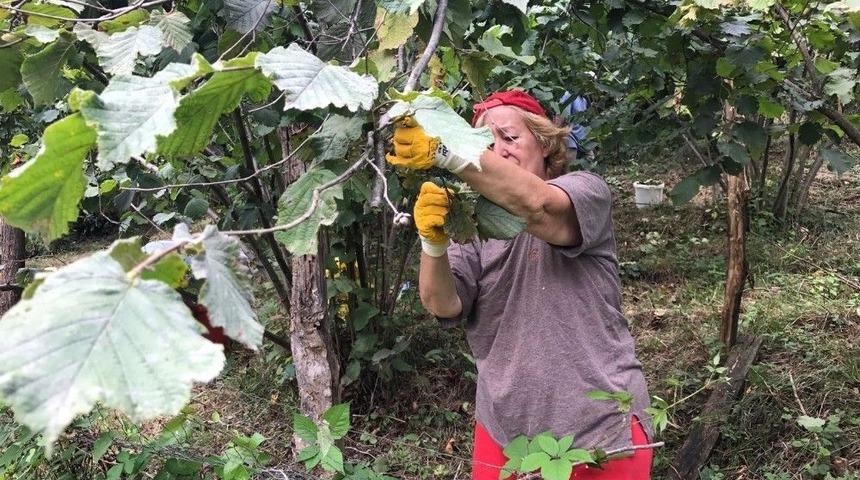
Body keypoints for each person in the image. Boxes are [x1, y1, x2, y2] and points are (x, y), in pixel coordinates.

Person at [386, 90, 653, 480]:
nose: (497, 150)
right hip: (505, 430)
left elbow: (539, 208)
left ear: (544, 143)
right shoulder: (472, 225)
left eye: (509, 138)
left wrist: (448, 151)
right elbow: (442, 303)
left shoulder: (585, 191)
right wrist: (433, 242)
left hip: (600, 428)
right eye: (485, 143)